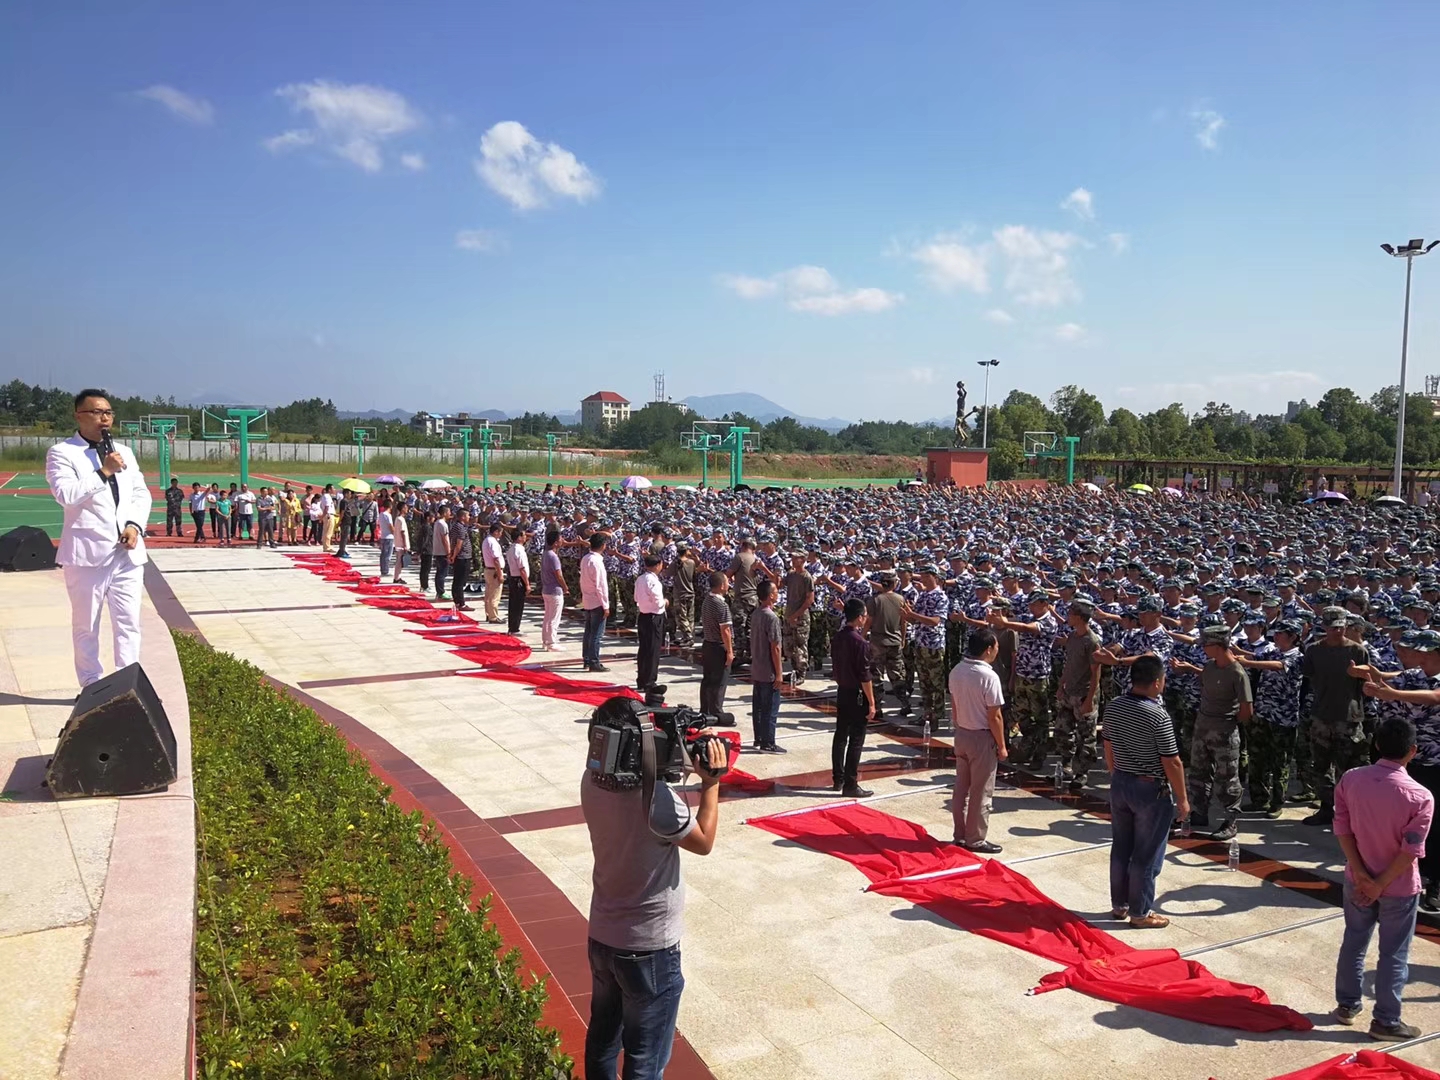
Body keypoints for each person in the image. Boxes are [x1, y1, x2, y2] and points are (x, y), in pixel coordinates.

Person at [581, 710, 727, 1080]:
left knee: (602, 1040)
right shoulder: (658, 801)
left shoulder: (591, 780)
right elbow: (704, 841)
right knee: (645, 1059)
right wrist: (711, 783)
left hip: (602, 936)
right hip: (649, 950)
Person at [1332, 716, 1434, 1041]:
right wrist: (1380, 883)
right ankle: (1387, 1021)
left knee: (1354, 940)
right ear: (1413, 751)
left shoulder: (1351, 779)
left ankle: (1347, 1005)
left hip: (1356, 879)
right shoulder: (1420, 796)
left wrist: (1361, 874)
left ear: (1376, 744)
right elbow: (1410, 852)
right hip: (1399, 887)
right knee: (1394, 953)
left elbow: (1342, 828)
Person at [45, 389, 152, 687]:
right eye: (96, 412)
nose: (104, 418)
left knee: (129, 623)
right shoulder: (62, 453)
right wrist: (104, 470)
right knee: (86, 626)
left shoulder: (124, 452)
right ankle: (91, 685)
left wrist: (134, 526)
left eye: (108, 412)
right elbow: (66, 495)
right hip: (87, 555)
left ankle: (128, 686)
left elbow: (140, 494)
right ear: (79, 415)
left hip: (127, 553)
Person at [1101, 653, 1190, 929]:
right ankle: (1140, 913)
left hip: (1121, 783)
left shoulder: (1114, 706)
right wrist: (1183, 799)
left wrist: (1116, 773)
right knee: (1146, 854)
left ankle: (1120, 905)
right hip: (1150, 789)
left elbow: (1108, 744)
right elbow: (1172, 760)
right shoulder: (1157, 715)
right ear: (1156, 683)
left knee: (1121, 847)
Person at [1178, 626, 1253, 841]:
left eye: (1206, 646)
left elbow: (1247, 710)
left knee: (1227, 779)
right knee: (1198, 774)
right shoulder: (1210, 667)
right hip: (1203, 728)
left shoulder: (1237, 672)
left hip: (1224, 733)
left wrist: (1226, 723)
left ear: (1218, 646)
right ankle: (1199, 813)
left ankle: (1231, 821)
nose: (1203, 650)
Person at [1303, 606, 1371, 827]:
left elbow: (1366, 684)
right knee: (1320, 766)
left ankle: (1347, 812)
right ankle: (1326, 808)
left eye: (1340, 628)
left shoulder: (1357, 651)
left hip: (1348, 718)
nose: (1336, 632)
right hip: (1322, 716)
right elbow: (1309, 677)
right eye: (1331, 628)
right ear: (1324, 627)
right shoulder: (1313, 650)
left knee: (1348, 769)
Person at [948, 627, 1007, 852]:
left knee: (961, 788)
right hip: (981, 737)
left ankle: (960, 834)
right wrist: (1001, 745)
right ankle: (976, 839)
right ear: (988, 649)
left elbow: (954, 707)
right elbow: (995, 716)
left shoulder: (956, 670)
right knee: (981, 791)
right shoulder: (989, 676)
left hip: (962, 733)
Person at [1055, 596, 1102, 792]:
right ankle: (1066, 766)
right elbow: (1069, 664)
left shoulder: (1091, 641)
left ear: (1080, 617)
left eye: (1071, 614)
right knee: (1063, 731)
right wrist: (1061, 685)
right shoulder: (1073, 637)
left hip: (1084, 694)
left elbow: (1095, 672)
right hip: (1069, 692)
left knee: (1086, 737)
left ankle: (1082, 773)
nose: (1068, 617)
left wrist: (1089, 699)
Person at [831, 598, 877, 797]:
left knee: (841, 734)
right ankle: (850, 782)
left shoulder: (838, 637)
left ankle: (838, 778)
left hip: (843, 689)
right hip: (857, 693)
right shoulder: (860, 642)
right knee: (856, 739)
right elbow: (865, 675)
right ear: (859, 618)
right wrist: (872, 702)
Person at [749, 579, 785, 753]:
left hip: (757, 666)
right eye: (776, 590)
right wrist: (779, 673)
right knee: (770, 707)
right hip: (768, 669)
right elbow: (775, 647)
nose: (778, 593)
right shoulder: (772, 617)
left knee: (758, 706)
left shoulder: (756, 614)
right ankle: (768, 742)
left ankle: (759, 737)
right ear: (770, 595)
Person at [699, 571, 732, 717]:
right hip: (718, 645)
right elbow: (725, 630)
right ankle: (716, 711)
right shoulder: (721, 605)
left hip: (707, 643)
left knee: (707, 678)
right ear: (722, 586)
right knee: (719, 681)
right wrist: (730, 651)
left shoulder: (707, 600)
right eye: (727, 582)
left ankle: (705, 709)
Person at [634, 553, 667, 691]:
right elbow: (658, 602)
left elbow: (636, 598)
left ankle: (641, 679)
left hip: (643, 615)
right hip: (654, 617)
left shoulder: (640, 579)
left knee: (644, 649)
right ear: (658, 565)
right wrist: (665, 602)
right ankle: (650, 681)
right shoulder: (654, 582)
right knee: (653, 650)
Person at [782, 550, 815, 683]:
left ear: (802, 559)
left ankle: (801, 673)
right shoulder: (791, 574)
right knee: (790, 645)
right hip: (790, 614)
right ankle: (794, 670)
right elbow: (779, 584)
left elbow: (810, 599)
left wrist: (796, 615)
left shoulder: (806, 577)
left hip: (800, 617)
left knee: (800, 645)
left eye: (796, 558)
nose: (793, 560)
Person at [581, 533, 610, 673]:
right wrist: (606, 605)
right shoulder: (597, 562)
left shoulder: (585, 559)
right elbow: (601, 586)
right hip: (597, 601)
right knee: (596, 634)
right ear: (603, 546)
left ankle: (587, 658)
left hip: (588, 599)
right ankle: (593, 661)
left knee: (589, 632)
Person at [540, 528, 566, 651]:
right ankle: (551, 641)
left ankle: (545, 639)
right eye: (560, 539)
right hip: (555, 590)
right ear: (555, 542)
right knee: (554, 618)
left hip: (546, 589)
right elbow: (558, 574)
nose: (562, 541)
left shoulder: (545, 553)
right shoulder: (553, 556)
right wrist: (565, 587)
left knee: (548, 616)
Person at [505, 524, 531, 635]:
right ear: (519, 537)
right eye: (524, 535)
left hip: (513, 578)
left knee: (513, 604)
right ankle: (515, 628)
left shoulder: (511, 548)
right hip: (518, 579)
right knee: (518, 605)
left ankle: (512, 627)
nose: (525, 537)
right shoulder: (519, 550)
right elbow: (522, 569)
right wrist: (527, 584)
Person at [448, 508, 475, 613]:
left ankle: (458, 601)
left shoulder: (458, 526)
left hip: (462, 556)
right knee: (460, 581)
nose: (469, 517)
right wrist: (454, 556)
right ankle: (461, 603)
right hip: (462, 557)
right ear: (463, 517)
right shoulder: (460, 528)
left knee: (458, 580)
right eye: (468, 515)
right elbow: (459, 544)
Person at [482, 522, 506, 624]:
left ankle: (488, 614)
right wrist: (500, 573)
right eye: (500, 532)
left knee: (488, 594)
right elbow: (496, 559)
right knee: (495, 595)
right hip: (494, 570)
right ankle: (493, 617)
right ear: (496, 532)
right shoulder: (493, 542)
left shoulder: (486, 540)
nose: (501, 534)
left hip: (488, 569)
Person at [431, 505, 451, 602]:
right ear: (444, 513)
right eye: (448, 512)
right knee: (442, 573)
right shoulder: (443, 524)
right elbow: (445, 539)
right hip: (442, 552)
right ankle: (441, 592)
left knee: (440, 572)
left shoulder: (437, 523)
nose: (450, 514)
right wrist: (448, 552)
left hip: (437, 551)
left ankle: (440, 591)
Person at [391, 501, 410, 583]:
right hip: (401, 544)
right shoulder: (400, 519)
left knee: (399, 561)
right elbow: (402, 532)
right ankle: (396, 577)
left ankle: (398, 576)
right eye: (406, 508)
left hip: (399, 543)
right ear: (402, 509)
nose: (407, 509)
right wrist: (405, 545)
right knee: (399, 561)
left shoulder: (398, 519)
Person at [377, 498, 396, 578]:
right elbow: (390, 526)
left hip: (383, 536)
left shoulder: (381, 514)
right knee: (388, 555)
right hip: (389, 536)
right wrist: (395, 532)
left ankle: (383, 569)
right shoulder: (388, 515)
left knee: (383, 554)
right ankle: (385, 570)